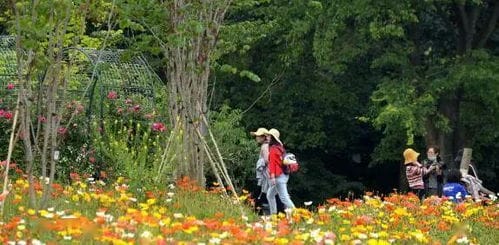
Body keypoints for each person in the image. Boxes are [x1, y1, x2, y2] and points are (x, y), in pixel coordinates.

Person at [265, 128, 295, 215]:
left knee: (284, 198)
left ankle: (297, 214)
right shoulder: (280, 147)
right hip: (283, 175)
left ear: (273, 137)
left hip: (278, 177)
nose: (267, 137)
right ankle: (273, 215)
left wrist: (272, 176)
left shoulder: (273, 149)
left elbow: (272, 164)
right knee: (270, 195)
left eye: (269, 136)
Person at [251, 127, 271, 215]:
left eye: (259, 136)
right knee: (261, 194)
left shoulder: (265, 146)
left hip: (265, 175)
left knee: (260, 194)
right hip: (265, 174)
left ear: (264, 137)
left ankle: (258, 212)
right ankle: (258, 212)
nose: (257, 138)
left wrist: (260, 163)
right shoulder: (267, 146)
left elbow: (267, 160)